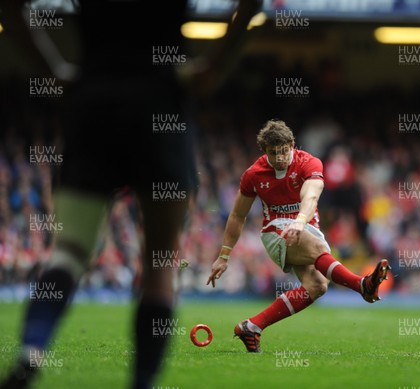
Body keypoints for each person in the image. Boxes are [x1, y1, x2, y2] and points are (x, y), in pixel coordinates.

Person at [0, 0, 262, 388]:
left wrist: (53, 72)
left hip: (93, 103)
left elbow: (10, 7)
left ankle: (31, 351)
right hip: (161, 102)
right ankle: (141, 383)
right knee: (159, 264)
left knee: (69, 252)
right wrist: (213, 69)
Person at [207, 120, 391, 353]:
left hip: (304, 224)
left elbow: (311, 197)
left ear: (293, 145)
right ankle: (362, 285)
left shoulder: (309, 163)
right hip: (274, 231)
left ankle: (251, 327)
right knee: (315, 250)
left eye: (284, 151)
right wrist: (224, 256)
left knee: (317, 286)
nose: (280, 157)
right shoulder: (253, 174)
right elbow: (237, 215)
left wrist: (300, 221)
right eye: (274, 153)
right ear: (265, 151)